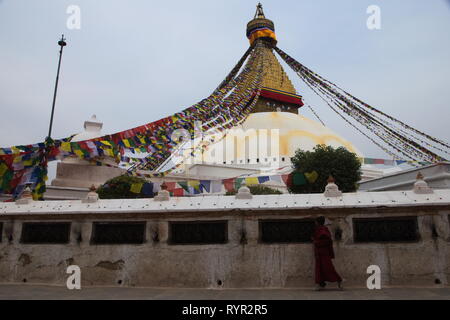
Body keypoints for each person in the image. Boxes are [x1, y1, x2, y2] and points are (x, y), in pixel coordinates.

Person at [312, 216, 343, 291]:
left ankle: (339, 280)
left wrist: (316, 242)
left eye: (316, 222)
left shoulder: (323, 230)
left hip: (324, 253)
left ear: (318, 222)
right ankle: (321, 284)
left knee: (328, 268)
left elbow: (327, 241)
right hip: (319, 253)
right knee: (320, 269)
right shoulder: (319, 229)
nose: (315, 223)